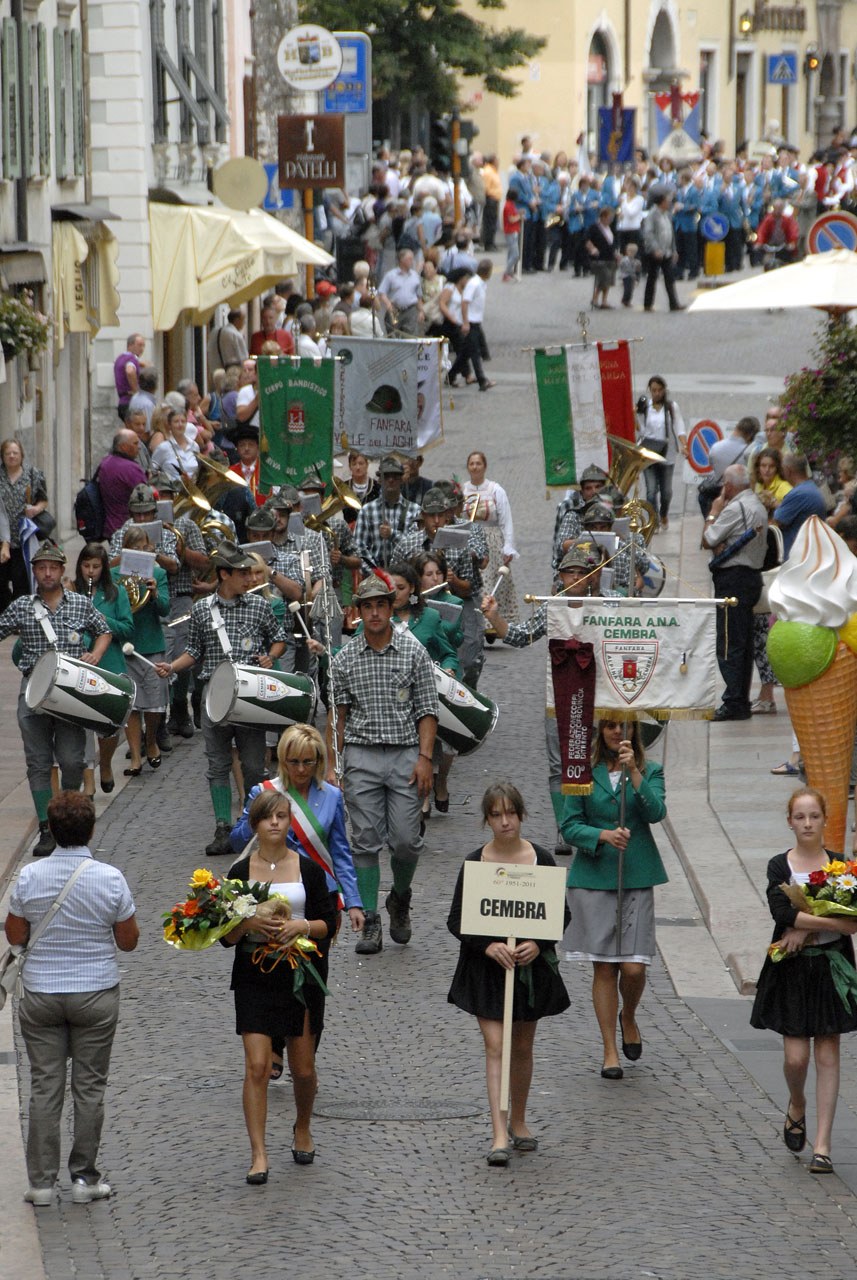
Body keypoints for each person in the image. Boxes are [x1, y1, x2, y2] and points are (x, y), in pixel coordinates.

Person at [4, 791, 139, 1205]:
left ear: (50, 828)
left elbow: (15, 934)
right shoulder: (110, 878)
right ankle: (84, 1178)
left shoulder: (30, 876)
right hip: (95, 991)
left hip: (42, 993)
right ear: (91, 830)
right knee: (90, 1088)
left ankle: (41, 1184)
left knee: (45, 1086)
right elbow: (128, 941)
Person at [447, 783, 570, 1166]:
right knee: (496, 1045)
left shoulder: (541, 860)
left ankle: (519, 1119)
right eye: (497, 815)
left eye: (511, 814)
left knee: (522, 1046)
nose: (505, 822)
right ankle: (498, 1132)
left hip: (528, 969)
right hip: (486, 971)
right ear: (487, 819)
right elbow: (457, 919)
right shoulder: (475, 863)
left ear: (521, 815)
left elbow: (560, 914)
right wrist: (488, 946)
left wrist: (537, 943)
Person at [223, 790, 337, 1180]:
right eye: (268, 816)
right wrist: (247, 924)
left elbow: (328, 923)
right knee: (257, 1066)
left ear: (290, 823)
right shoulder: (240, 873)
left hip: (299, 975)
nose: (275, 822)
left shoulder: (309, 870)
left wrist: (300, 926)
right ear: (255, 823)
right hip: (254, 976)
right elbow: (225, 937)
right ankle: (259, 1154)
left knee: (303, 1070)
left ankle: (302, 1126)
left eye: (282, 816)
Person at [329, 573, 438, 955]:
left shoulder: (413, 652)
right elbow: (338, 717)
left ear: (392, 609)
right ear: (358, 612)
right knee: (364, 840)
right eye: (368, 606)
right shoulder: (344, 659)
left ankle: (400, 897)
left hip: (406, 753)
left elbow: (427, 709)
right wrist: (333, 766)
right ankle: (370, 919)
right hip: (361, 755)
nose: (374, 613)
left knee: (406, 841)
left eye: (381, 605)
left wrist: (425, 758)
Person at [750, 787, 857, 1176]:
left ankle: (823, 1146)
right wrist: (820, 925)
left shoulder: (842, 866)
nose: (808, 823)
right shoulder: (780, 866)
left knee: (828, 1056)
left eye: (814, 816)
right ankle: (797, 1102)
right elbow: (782, 912)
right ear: (790, 822)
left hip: (831, 969)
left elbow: (853, 922)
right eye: (800, 817)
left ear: (825, 819)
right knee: (796, 1059)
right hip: (792, 970)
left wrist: (806, 928)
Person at [154, 542, 286, 855]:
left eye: (250, 573)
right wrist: (172, 666)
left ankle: (254, 825)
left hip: (250, 698)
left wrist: (270, 657)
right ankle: (223, 827)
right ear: (225, 575)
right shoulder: (202, 609)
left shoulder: (259, 606)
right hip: (214, 696)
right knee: (217, 765)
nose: (250, 579)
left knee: (254, 766)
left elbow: (279, 639)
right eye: (243, 573)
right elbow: (194, 651)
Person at [561, 720, 668, 1079]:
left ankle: (629, 1015)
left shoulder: (651, 770)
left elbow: (656, 812)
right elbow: (569, 825)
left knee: (634, 967)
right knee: (604, 967)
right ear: (599, 731)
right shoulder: (581, 772)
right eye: (608, 726)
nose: (615, 732)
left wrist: (634, 772)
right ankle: (609, 1050)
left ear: (634, 730)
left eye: (622, 726)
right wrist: (603, 835)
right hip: (594, 878)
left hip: (636, 875)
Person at [0, 543, 112, 856]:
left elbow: (104, 631)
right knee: (38, 763)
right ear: (34, 572)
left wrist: (96, 654)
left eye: (53, 567)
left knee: (72, 761)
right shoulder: (22, 606)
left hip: (70, 693)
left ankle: (67, 819)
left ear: (62, 571)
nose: (47, 573)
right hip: (33, 692)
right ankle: (46, 829)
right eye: (41, 568)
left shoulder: (80, 603)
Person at [702, 463, 767, 721]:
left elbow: (708, 539)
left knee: (729, 642)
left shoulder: (734, 508)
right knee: (743, 642)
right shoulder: (757, 504)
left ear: (728, 486)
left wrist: (713, 513)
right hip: (751, 578)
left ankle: (734, 702)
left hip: (734, 580)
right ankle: (739, 699)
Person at [72, 543, 134, 795]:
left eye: (96, 566)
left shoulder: (116, 593)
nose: (90, 571)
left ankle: (105, 764)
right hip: (80, 662)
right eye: (86, 565)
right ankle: (88, 780)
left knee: (109, 725)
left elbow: (128, 629)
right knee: (82, 725)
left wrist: (103, 619)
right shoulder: (72, 592)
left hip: (109, 663)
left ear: (104, 568)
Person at [118, 526, 170, 775]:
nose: (139, 552)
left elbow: (165, 609)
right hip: (126, 644)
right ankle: (136, 757)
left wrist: (155, 593)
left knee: (154, 704)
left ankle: (150, 741)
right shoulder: (115, 575)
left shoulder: (157, 573)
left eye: (143, 548)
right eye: (133, 549)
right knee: (132, 705)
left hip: (151, 643)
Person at [462, 450, 519, 625]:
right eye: (472, 464)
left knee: (493, 582)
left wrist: (508, 546)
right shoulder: (463, 490)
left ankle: (493, 622)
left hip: (492, 541)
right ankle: (477, 621)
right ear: (467, 467)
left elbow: (506, 520)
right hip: (469, 540)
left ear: (485, 466)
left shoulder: (495, 490)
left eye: (478, 463)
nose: (475, 467)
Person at [635, 376, 687, 532]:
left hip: (667, 454)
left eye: (659, 390)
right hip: (649, 453)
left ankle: (664, 514)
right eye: (654, 390)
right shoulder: (645, 407)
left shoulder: (671, 407)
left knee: (666, 492)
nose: (657, 393)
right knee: (651, 490)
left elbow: (679, 427)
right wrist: (634, 415)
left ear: (664, 390)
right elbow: (641, 430)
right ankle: (654, 520)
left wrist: (683, 445)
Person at [0, 439, 48, 606]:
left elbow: (43, 500)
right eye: (8, 453)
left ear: (21, 455)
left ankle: (21, 612)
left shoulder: (33, 474)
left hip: (24, 538)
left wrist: (36, 509)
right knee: (1, 582)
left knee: (22, 582)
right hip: (2, 539)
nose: (12, 456)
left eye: (15, 453)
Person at [354, 455, 421, 573]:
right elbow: (359, 548)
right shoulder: (367, 510)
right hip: (375, 574)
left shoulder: (415, 510)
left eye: (395, 476)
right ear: (380, 480)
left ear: (402, 479)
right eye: (386, 476)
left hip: (405, 574)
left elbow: (415, 547)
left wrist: (392, 534)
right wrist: (376, 574)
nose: (391, 480)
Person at [772, 454, 829, 559]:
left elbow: (776, 522)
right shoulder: (810, 488)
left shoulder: (798, 494)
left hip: (798, 557)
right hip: (810, 552)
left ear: (788, 470)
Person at [97, 429, 148, 538]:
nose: (139, 447)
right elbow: (147, 496)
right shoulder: (131, 469)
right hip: (130, 530)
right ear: (123, 447)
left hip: (110, 527)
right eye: (135, 443)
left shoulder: (105, 462)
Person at [642, 190, 682, 312]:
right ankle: (648, 304)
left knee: (669, 277)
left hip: (667, 251)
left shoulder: (666, 214)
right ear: (661, 202)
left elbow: (671, 233)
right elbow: (648, 233)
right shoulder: (653, 215)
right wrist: (655, 249)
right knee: (652, 277)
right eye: (667, 201)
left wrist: (674, 250)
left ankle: (674, 303)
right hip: (656, 251)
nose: (669, 203)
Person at [151, 407, 200, 482]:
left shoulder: (194, 446)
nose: (180, 425)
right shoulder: (164, 447)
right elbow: (152, 470)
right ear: (169, 425)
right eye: (176, 421)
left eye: (183, 421)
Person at [585, 206, 618, 310]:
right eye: (609, 218)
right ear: (603, 217)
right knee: (604, 278)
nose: (610, 220)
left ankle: (604, 301)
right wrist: (592, 249)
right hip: (599, 258)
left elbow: (613, 243)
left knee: (609, 280)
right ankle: (595, 298)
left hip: (610, 258)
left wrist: (616, 254)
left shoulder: (610, 228)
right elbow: (587, 240)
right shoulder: (594, 227)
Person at [114, 333, 145, 420]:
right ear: (130, 345)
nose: (142, 349)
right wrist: (136, 392)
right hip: (130, 402)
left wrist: (143, 364)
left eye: (143, 346)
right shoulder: (132, 358)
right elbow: (130, 371)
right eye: (139, 345)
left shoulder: (120, 358)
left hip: (122, 402)